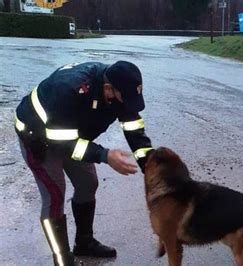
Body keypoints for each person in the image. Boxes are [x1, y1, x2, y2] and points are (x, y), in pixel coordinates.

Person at [14, 61, 153, 265]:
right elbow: (63, 144)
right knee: (54, 194)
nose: (127, 105)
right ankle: (62, 259)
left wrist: (150, 165)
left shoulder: (119, 85)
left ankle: (84, 243)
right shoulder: (70, 88)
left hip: (70, 133)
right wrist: (105, 155)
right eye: (125, 99)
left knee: (88, 183)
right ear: (108, 89)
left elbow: (133, 128)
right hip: (38, 137)